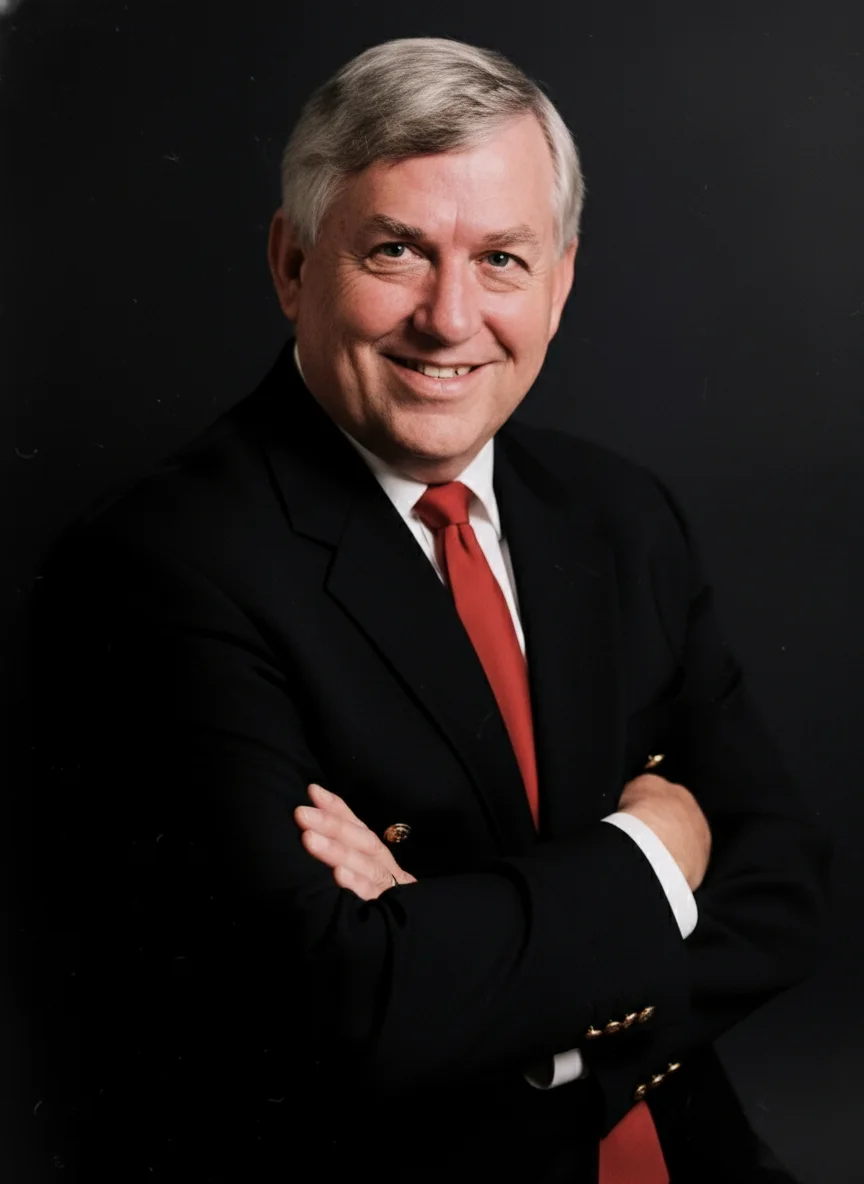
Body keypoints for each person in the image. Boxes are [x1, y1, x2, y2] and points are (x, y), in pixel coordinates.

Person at [29, 36, 829, 1184]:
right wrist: (657, 849)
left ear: (560, 279)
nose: (451, 320)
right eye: (397, 250)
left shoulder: (618, 515)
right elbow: (349, 1000)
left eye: (501, 257)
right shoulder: (161, 560)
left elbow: (786, 878)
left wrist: (476, 963)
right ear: (293, 263)